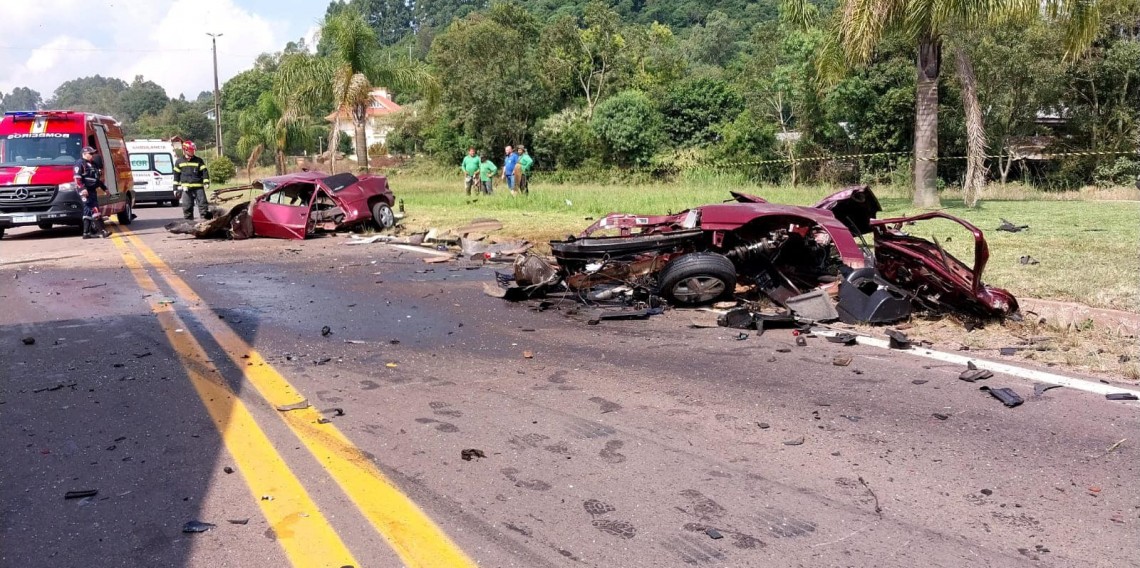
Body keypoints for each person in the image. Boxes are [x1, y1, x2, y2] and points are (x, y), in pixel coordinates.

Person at [73, 146, 110, 239]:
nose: (92, 155)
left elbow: (97, 179)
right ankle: (103, 231)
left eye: (93, 153)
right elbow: (77, 179)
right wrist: (82, 189)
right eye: (90, 154)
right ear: (84, 154)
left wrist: (104, 188)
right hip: (85, 191)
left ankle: (86, 233)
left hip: (92, 190)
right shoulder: (79, 164)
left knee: (87, 211)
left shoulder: (93, 164)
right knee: (94, 209)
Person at [173, 140, 210, 220]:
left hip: (198, 187)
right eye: (191, 150)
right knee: (187, 207)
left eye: (193, 150)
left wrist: (206, 181)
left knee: (203, 205)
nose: (193, 152)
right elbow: (176, 176)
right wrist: (175, 188)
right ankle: (189, 224)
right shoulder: (179, 162)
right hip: (186, 189)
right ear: (185, 150)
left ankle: (206, 222)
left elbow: (204, 172)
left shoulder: (199, 161)